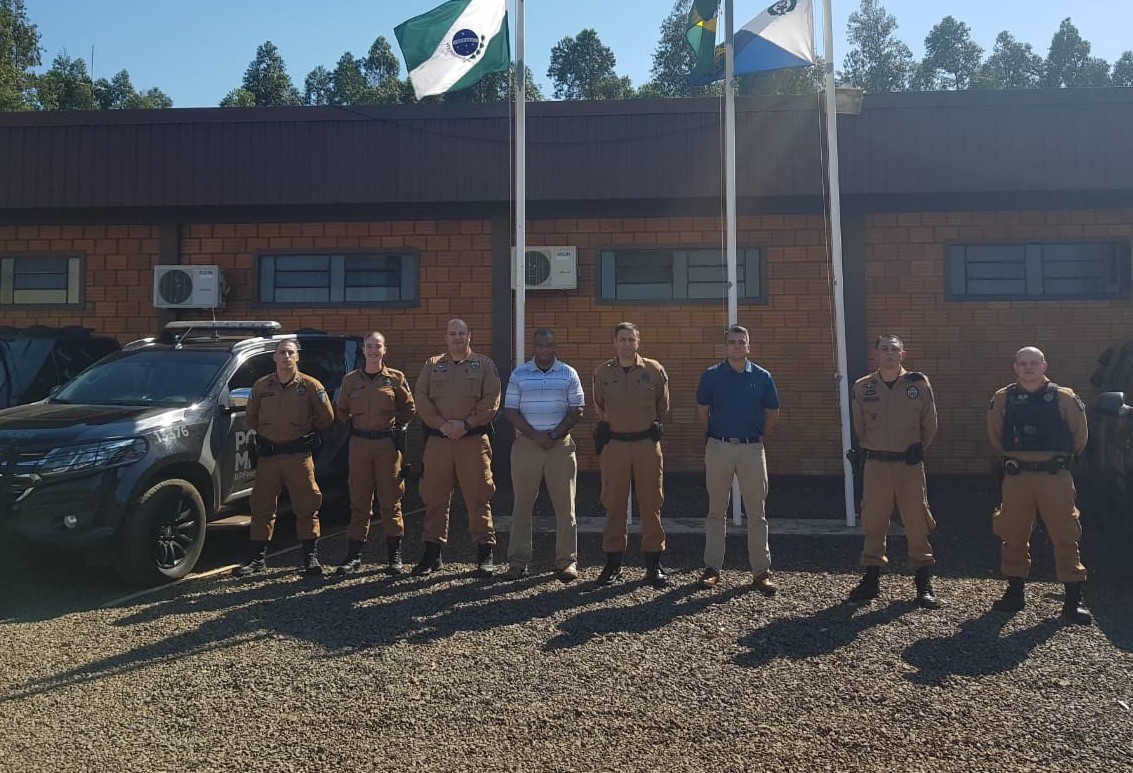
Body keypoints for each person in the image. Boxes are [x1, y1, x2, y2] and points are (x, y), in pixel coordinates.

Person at [987, 346, 1091, 625]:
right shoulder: (1003, 398)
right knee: (1014, 532)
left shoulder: (1064, 397)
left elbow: (1079, 436)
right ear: (1015, 367)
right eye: (1023, 363)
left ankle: (1073, 600)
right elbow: (996, 437)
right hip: (1017, 477)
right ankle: (1014, 592)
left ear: (1044, 365)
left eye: (1034, 363)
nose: (1029, 367)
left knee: (1066, 533)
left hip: (1054, 477)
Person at [846, 335, 942, 608]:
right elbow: (860, 426)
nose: (889, 354)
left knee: (916, 520)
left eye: (894, 349)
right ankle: (871, 580)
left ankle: (923, 582)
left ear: (903, 354)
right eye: (884, 349)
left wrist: (918, 447)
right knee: (874, 521)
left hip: (909, 465)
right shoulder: (863, 387)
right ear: (875, 355)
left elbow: (930, 423)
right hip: (876, 464)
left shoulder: (918, 384)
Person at [235, 338, 335, 577]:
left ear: (297, 357)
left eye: (291, 353)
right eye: (282, 353)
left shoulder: (311, 386)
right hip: (269, 457)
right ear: (275, 357)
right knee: (261, 506)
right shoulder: (261, 386)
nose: (286, 357)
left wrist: (304, 431)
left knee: (307, 505)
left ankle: (309, 558)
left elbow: (326, 417)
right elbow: (251, 418)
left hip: (298, 456)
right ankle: (257, 558)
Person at [411, 318, 501, 578]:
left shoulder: (484, 364)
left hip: (472, 441)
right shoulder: (432, 365)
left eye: (462, 333)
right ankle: (432, 554)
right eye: (453, 333)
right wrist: (442, 425)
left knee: (478, 497)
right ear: (446, 337)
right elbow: (422, 398)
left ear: (469, 335)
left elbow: (491, 400)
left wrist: (466, 423)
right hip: (439, 442)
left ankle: (485, 554)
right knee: (434, 497)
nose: (457, 338)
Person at [695, 325, 780, 596]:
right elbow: (702, 410)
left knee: (757, 512)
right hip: (719, 446)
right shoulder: (711, 376)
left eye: (741, 342)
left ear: (749, 346)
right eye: (732, 342)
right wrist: (714, 436)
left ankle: (760, 571)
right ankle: (712, 568)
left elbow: (772, 412)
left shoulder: (763, 377)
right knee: (715, 510)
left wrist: (757, 437)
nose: (737, 346)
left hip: (751, 449)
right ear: (725, 346)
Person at [501, 328, 585, 583]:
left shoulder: (568, 373)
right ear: (534, 347)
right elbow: (511, 410)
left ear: (555, 346)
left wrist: (556, 433)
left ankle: (567, 561)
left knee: (565, 506)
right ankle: (517, 561)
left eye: (549, 345)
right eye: (540, 345)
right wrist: (534, 434)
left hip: (560, 446)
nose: (544, 350)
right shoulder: (520, 374)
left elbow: (577, 408)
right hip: (527, 445)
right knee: (522, 505)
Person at [592, 322, 670, 588]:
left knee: (651, 504)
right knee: (614, 505)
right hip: (615, 446)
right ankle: (613, 566)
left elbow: (663, 404)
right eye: (622, 339)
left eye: (631, 339)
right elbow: (599, 406)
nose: (626, 344)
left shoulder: (653, 370)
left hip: (646, 444)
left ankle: (653, 566)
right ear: (614, 343)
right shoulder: (603, 372)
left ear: (638, 342)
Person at [334, 331, 416, 576]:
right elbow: (342, 410)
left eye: (377, 346)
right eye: (369, 346)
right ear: (363, 350)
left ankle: (394, 557)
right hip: (359, 444)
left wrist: (391, 427)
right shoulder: (350, 380)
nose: (373, 350)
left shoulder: (395, 378)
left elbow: (408, 409)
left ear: (384, 350)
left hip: (386, 446)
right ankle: (354, 555)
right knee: (359, 501)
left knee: (391, 501)